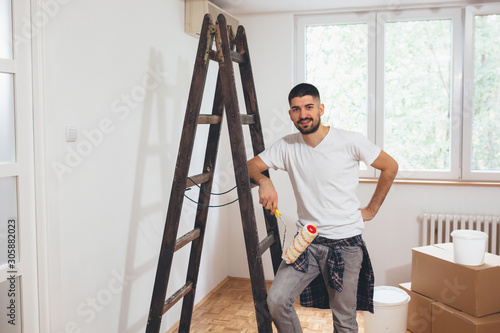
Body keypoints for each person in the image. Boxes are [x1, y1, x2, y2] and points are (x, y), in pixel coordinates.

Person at [247, 83, 398, 333]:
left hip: (346, 245)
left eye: (309, 107)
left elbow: (390, 166)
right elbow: (251, 165)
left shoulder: (350, 140)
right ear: (290, 114)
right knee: (276, 301)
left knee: (344, 320)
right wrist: (265, 181)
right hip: (307, 242)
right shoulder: (287, 145)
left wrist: (371, 210)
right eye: (296, 109)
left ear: (321, 109)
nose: (303, 114)